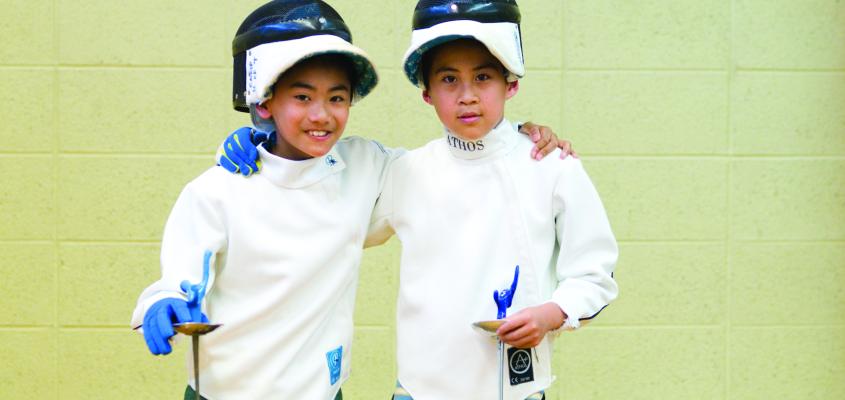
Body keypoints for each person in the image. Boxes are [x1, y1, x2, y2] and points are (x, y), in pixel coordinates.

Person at [131, 1, 389, 399]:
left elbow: (449, 167)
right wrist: (163, 303)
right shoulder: (218, 189)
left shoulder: (364, 168)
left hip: (321, 390)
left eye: (337, 98)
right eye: (302, 97)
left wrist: (516, 136)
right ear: (264, 102)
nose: (322, 114)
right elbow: (182, 276)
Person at [365, 1, 619, 399]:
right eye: (449, 80)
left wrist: (550, 315)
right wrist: (268, 149)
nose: (467, 96)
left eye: (483, 77)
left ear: (510, 84)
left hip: (515, 389)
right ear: (426, 92)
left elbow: (594, 274)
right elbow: (330, 216)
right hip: (419, 390)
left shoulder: (551, 164)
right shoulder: (405, 172)